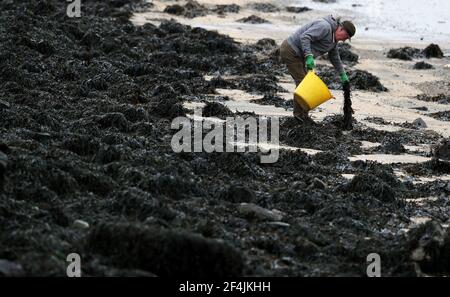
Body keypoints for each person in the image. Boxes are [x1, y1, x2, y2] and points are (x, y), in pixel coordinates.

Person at [279, 15, 356, 120]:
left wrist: (342, 74)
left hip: (300, 55)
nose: (344, 40)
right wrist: (309, 56)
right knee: (303, 83)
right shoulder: (324, 27)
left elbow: (334, 57)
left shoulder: (334, 41)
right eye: (345, 37)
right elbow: (305, 37)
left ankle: (303, 116)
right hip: (290, 50)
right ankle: (298, 116)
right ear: (341, 28)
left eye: (346, 39)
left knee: (307, 84)